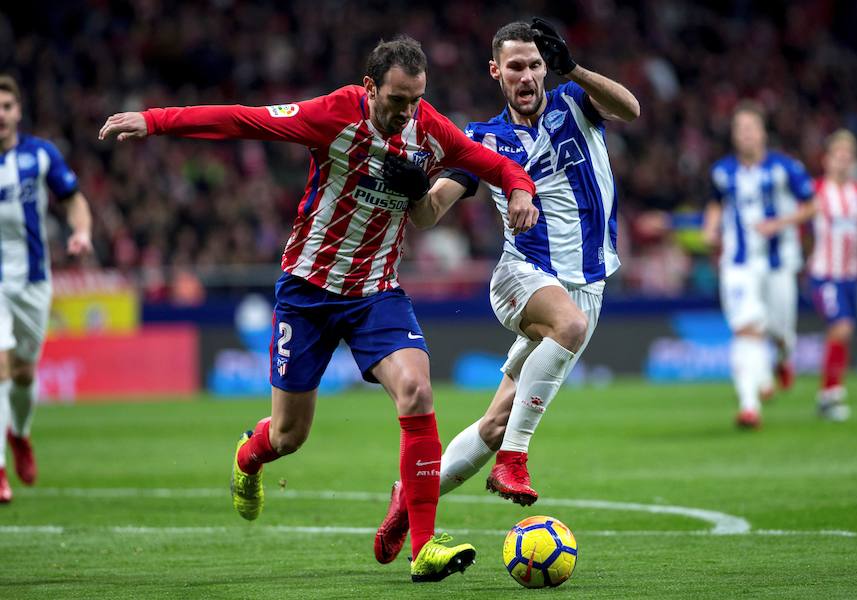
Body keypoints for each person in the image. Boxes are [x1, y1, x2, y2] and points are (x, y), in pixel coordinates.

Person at [99, 36, 539, 582]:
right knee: (289, 437)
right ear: (370, 85)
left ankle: (424, 545)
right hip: (307, 292)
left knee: (418, 390)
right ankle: (248, 456)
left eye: (416, 99)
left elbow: (488, 163)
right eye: (398, 99)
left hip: (375, 293)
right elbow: (245, 120)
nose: (407, 111)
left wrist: (520, 189)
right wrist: (157, 121)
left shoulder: (427, 126)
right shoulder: (332, 114)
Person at [372, 19, 639, 565]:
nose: (527, 75)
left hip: (586, 287)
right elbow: (428, 214)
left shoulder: (574, 103)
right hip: (522, 278)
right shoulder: (482, 139)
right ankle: (514, 461)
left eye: (535, 65)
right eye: (515, 65)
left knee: (495, 422)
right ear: (496, 71)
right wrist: (412, 188)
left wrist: (577, 70)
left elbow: (631, 108)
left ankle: (410, 498)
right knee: (567, 327)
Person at [0, 75, 93, 503]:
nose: (0, 116)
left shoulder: (40, 155)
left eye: (6, 107)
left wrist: (81, 232)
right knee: (0, 368)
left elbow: (72, 198)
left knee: (22, 374)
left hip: (34, 280)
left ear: (18, 111)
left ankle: (20, 434)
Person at [703, 101, 816, 429]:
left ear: (763, 133)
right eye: (740, 130)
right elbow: (715, 204)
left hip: (779, 263)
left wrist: (779, 223)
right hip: (738, 264)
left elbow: (811, 205)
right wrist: (711, 229)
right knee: (746, 328)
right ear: (735, 136)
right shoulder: (722, 172)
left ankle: (782, 357)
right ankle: (749, 405)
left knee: (780, 332)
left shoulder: (786, 167)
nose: (747, 135)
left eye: (752, 129)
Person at [808, 129, 857, 421]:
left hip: (851, 276)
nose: (842, 161)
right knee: (840, 327)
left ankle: (828, 393)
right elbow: (799, 225)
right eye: (837, 155)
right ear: (826, 159)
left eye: (847, 155)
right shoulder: (815, 191)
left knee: (844, 333)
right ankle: (832, 394)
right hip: (823, 274)